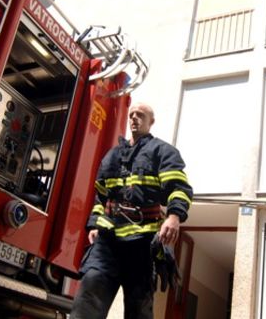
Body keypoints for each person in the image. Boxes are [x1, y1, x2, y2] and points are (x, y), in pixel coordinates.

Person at [70, 102, 193, 319]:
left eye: (141, 115)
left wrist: (174, 216)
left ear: (151, 122)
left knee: (139, 310)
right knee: (88, 298)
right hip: (107, 241)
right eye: (132, 114)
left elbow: (179, 188)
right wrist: (94, 223)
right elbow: (101, 194)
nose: (134, 118)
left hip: (142, 244)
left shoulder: (163, 152)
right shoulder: (112, 156)